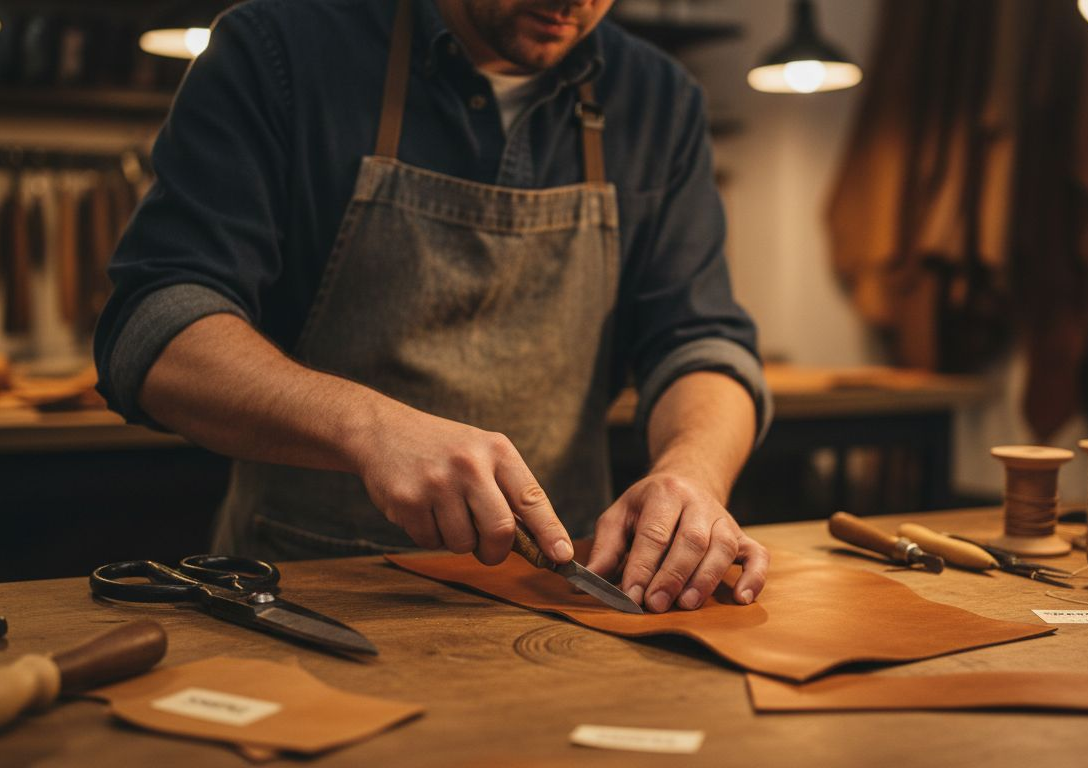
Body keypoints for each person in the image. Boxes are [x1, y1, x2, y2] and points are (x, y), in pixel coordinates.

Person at [94, 0, 773, 613]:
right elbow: (154, 330)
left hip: (563, 593)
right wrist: (368, 427)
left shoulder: (658, 98)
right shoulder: (277, 50)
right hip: (307, 592)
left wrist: (694, 472)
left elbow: (699, 341)